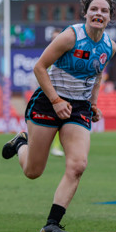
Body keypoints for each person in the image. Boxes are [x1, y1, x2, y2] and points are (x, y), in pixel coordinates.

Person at [2, 0, 116, 232]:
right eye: (94, 9)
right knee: (33, 171)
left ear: (109, 17)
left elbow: (97, 75)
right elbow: (39, 67)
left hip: (78, 109)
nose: (99, 13)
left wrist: (94, 104)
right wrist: (55, 101)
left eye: (104, 10)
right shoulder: (70, 36)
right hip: (48, 102)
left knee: (78, 165)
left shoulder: (110, 46)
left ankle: (52, 224)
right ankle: (22, 142)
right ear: (86, 13)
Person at [48, 29, 64, 157]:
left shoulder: (65, 55)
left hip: (61, 95)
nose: (55, 40)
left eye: (57, 37)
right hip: (49, 95)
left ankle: (56, 147)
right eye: (53, 37)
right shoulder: (48, 55)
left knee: (59, 121)